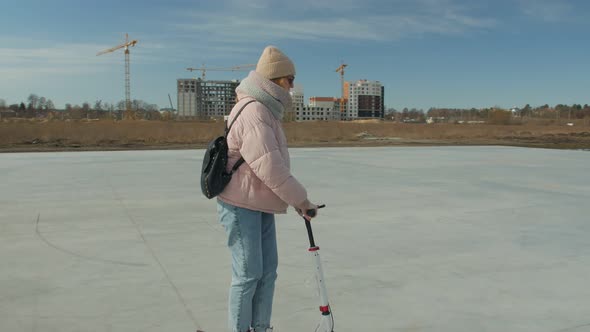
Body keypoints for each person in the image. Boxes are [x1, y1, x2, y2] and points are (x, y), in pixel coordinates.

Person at [216, 45, 319, 332]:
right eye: (289, 79)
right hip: (239, 205)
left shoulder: (266, 110)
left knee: (267, 273)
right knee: (248, 275)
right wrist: (301, 200)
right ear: (273, 80)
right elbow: (270, 166)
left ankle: (260, 328)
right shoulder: (254, 111)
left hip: (258, 201)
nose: (293, 85)